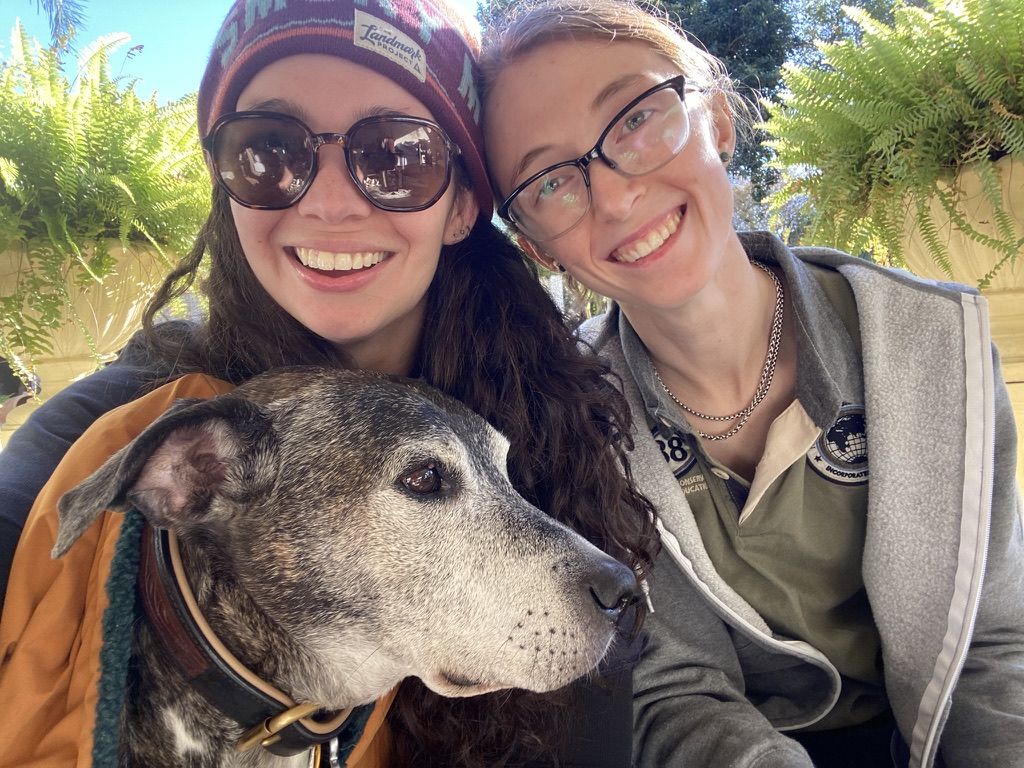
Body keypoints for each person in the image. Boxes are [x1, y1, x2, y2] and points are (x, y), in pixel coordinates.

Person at [0, 1, 659, 766]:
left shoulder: (553, 414)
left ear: (462, 206)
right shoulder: (146, 406)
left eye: (399, 155)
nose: (330, 201)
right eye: (268, 151)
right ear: (226, 184)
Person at [478, 2, 1024, 767]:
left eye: (636, 119)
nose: (614, 196)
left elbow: (993, 644)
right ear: (539, 249)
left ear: (720, 121)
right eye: (550, 181)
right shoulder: (571, 425)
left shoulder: (937, 344)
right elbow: (671, 692)